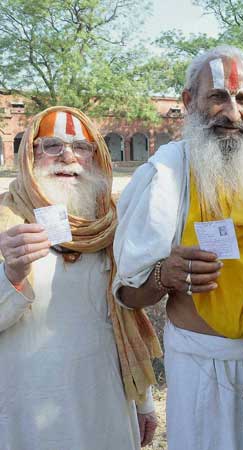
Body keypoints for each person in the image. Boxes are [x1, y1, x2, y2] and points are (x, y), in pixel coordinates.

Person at [112, 45, 243, 450]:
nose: (231, 113)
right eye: (217, 96)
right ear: (187, 102)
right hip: (203, 369)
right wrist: (164, 274)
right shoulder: (165, 174)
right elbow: (127, 293)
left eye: (242, 99)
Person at [0, 106, 161, 449]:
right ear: (31, 153)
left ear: (96, 155)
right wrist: (11, 272)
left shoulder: (111, 224)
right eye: (52, 146)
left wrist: (144, 403)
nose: (68, 157)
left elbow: (127, 318)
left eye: (81, 147)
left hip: (104, 405)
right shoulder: (6, 220)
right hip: (26, 410)